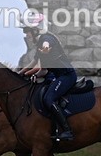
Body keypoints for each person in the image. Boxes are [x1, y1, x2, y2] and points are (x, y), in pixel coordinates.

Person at [17, 13, 77, 142]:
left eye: (27, 31)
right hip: (60, 76)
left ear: (35, 30)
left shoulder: (46, 38)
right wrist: (21, 74)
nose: (26, 34)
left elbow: (46, 45)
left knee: (49, 99)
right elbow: (41, 69)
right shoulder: (39, 48)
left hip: (67, 76)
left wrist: (45, 49)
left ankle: (67, 131)